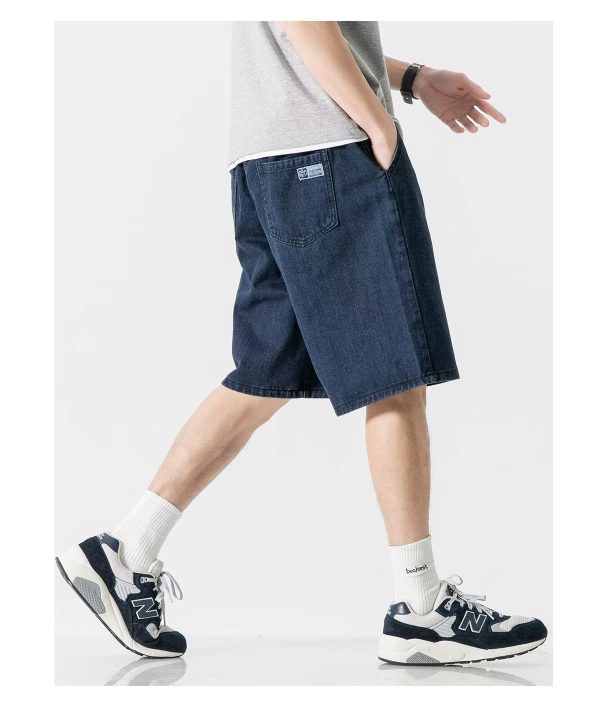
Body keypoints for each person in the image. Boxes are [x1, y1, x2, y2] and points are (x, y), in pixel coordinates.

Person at [56, 21, 547, 665]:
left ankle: (126, 551)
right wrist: (376, 120)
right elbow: (304, 18)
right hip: (330, 151)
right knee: (395, 372)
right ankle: (421, 606)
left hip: (268, 164)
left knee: (266, 372)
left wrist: (412, 79)